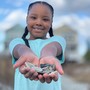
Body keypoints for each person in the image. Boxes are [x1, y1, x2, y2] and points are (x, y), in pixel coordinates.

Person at [9, 1, 66, 90]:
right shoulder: (18, 42)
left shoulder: (58, 40)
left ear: (51, 23)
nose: (39, 22)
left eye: (45, 19)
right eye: (34, 17)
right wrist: (25, 53)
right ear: (27, 19)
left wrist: (48, 55)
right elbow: (19, 48)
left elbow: (53, 47)